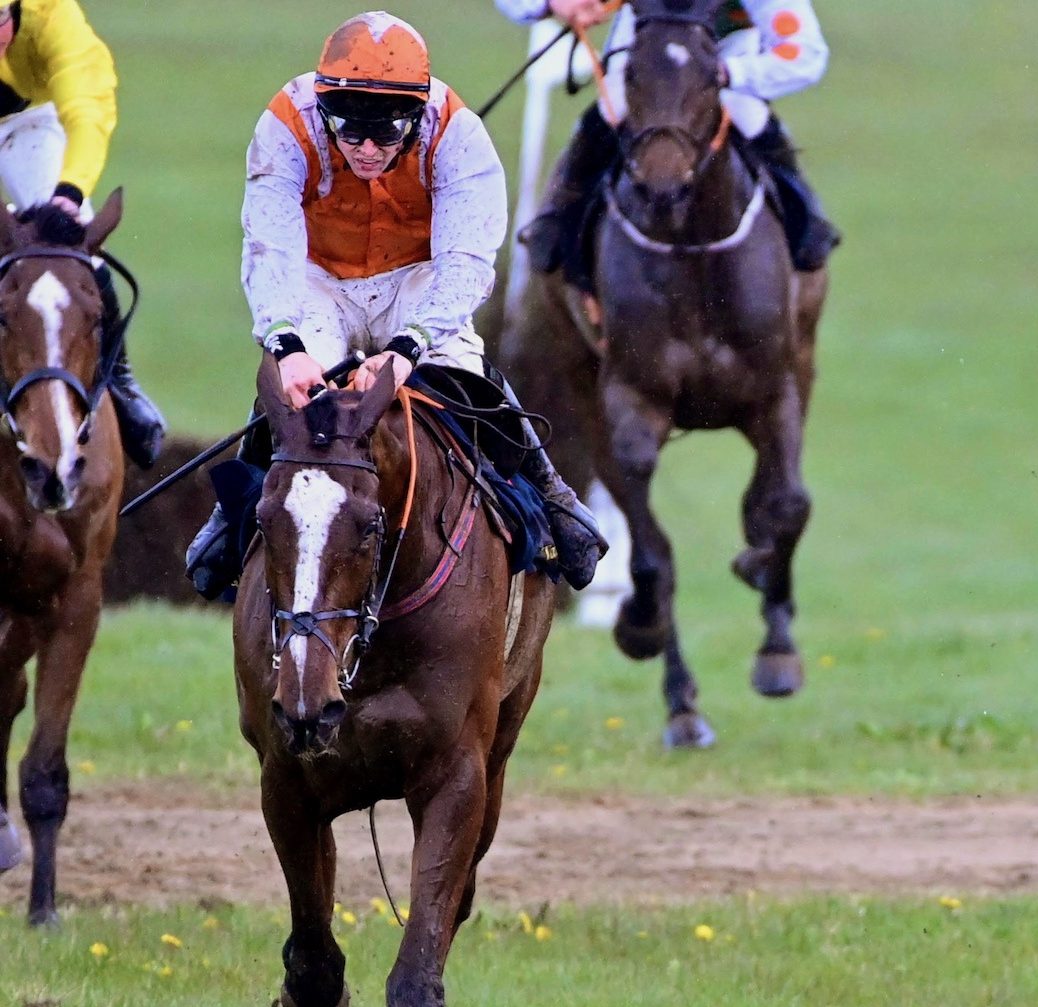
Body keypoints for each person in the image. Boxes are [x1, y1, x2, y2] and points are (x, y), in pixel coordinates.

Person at [185, 11, 606, 599]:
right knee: (291, 393)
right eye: (347, 131)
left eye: (385, 135)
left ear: (417, 114)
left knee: (462, 370)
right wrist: (285, 345)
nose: (364, 149)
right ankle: (231, 517)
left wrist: (407, 351)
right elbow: (269, 245)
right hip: (318, 279)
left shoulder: (458, 135)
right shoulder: (287, 122)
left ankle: (553, 493)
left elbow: (466, 264)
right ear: (323, 108)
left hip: (419, 279)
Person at [497, 0, 839, 275]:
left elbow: (806, 54)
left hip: (725, 55)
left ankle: (803, 211)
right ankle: (560, 215)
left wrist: (728, 73)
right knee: (611, 106)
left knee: (747, 111)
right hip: (645, 53)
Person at [0, 0, 164, 464]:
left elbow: (86, 109)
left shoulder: (52, 17)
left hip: (27, 121)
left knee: (71, 245)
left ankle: (120, 382)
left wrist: (68, 193)